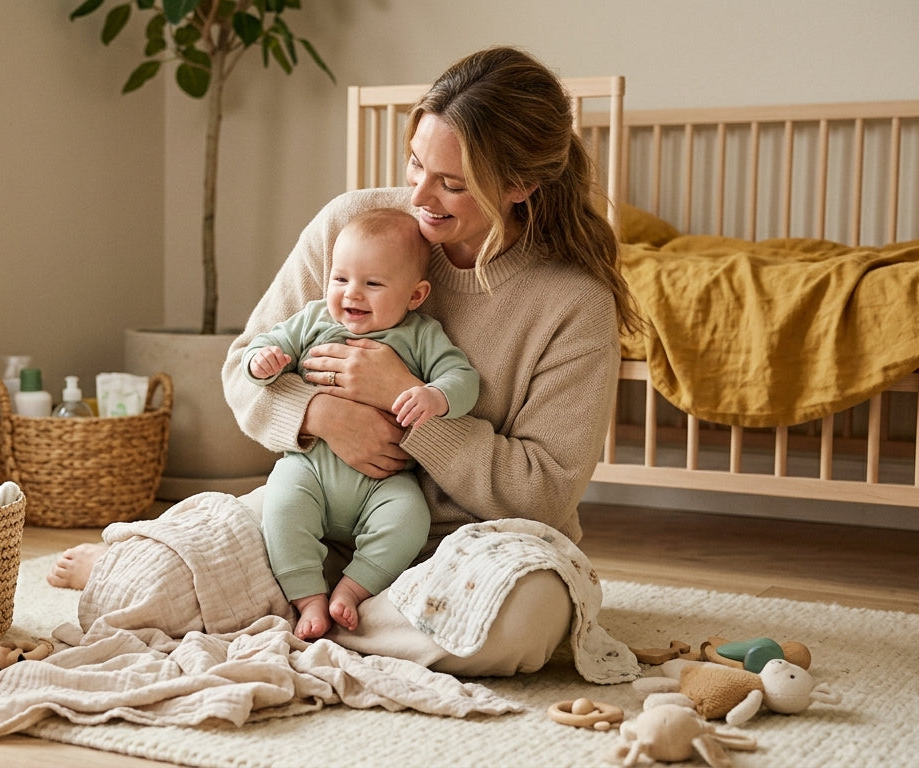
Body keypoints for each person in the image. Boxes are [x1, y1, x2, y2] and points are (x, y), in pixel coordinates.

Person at [51, 45, 642, 679]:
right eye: (416, 164)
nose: (421, 195)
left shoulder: (572, 300)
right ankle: (329, 612)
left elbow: (544, 494)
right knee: (148, 581)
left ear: (520, 185)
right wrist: (323, 413)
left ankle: (293, 618)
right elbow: (243, 370)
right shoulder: (352, 228)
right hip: (321, 520)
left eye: (452, 182)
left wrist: (407, 406)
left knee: (518, 620)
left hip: (469, 548)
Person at [244, 207, 479, 640]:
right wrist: (263, 362)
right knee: (281, 503)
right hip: (311, 467)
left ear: (415, 295)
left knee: (410, 517)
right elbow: (262, 345)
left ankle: (352, 591)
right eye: (340, 279)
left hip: (384, 481)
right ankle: (307, 595)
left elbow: (463, 380)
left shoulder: (421, 335)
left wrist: (435, 395)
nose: (352, 294)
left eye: (372, 284)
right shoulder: (314, 320)